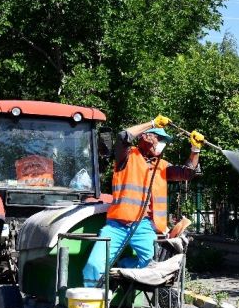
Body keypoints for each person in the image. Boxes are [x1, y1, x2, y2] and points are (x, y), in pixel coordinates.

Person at [82, 115, 204, 287]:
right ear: (146, 136)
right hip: (117, 226)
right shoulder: (126, 157)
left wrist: (195, 150)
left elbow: (187, 173)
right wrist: (152, 123)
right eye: (159, 138)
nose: (162, 143)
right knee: (94, 266)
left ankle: (122, 265)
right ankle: (92, 303)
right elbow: (123, 136)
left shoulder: (162, 165)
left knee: (155, 267)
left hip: (144, 226)